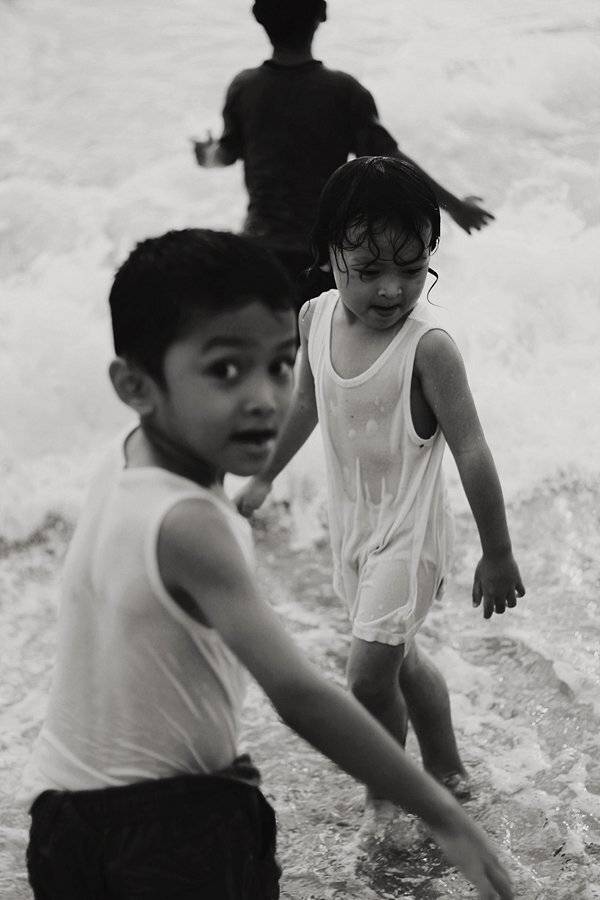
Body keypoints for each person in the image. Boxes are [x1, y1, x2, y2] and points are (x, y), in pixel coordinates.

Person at [24, 228, 513, 900]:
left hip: (60, 818)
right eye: (226, 370)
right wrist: (440, 811)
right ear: (136, 384)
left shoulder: (128, 456)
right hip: (173, 831)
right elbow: (301, 695)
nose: (264, 397)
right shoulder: (194, 527)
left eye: (281, 364)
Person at [236, 158, 525, 836]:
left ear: (431, 256)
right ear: (329, 256)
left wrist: (498, 552)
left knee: (369, 676)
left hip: (410, 537)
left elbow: (473, 450)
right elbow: (306, 403)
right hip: (355, 531)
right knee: (403, 657)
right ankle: (449, 769)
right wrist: (264, 475)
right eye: (368, 270)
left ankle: (387, 797)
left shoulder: (430, 349)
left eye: (412, 267)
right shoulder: (314, 318)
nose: (392, 289)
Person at [192, 0, 494, 304]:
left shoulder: (245, 87)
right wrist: (456, 207)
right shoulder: (342, 91)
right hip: (323, 254)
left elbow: (225, 155)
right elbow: (391, 163)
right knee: (322, 345)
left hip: (260, 249)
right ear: (322, 14)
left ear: (259, 20)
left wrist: (204, 154)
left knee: (275, 347)